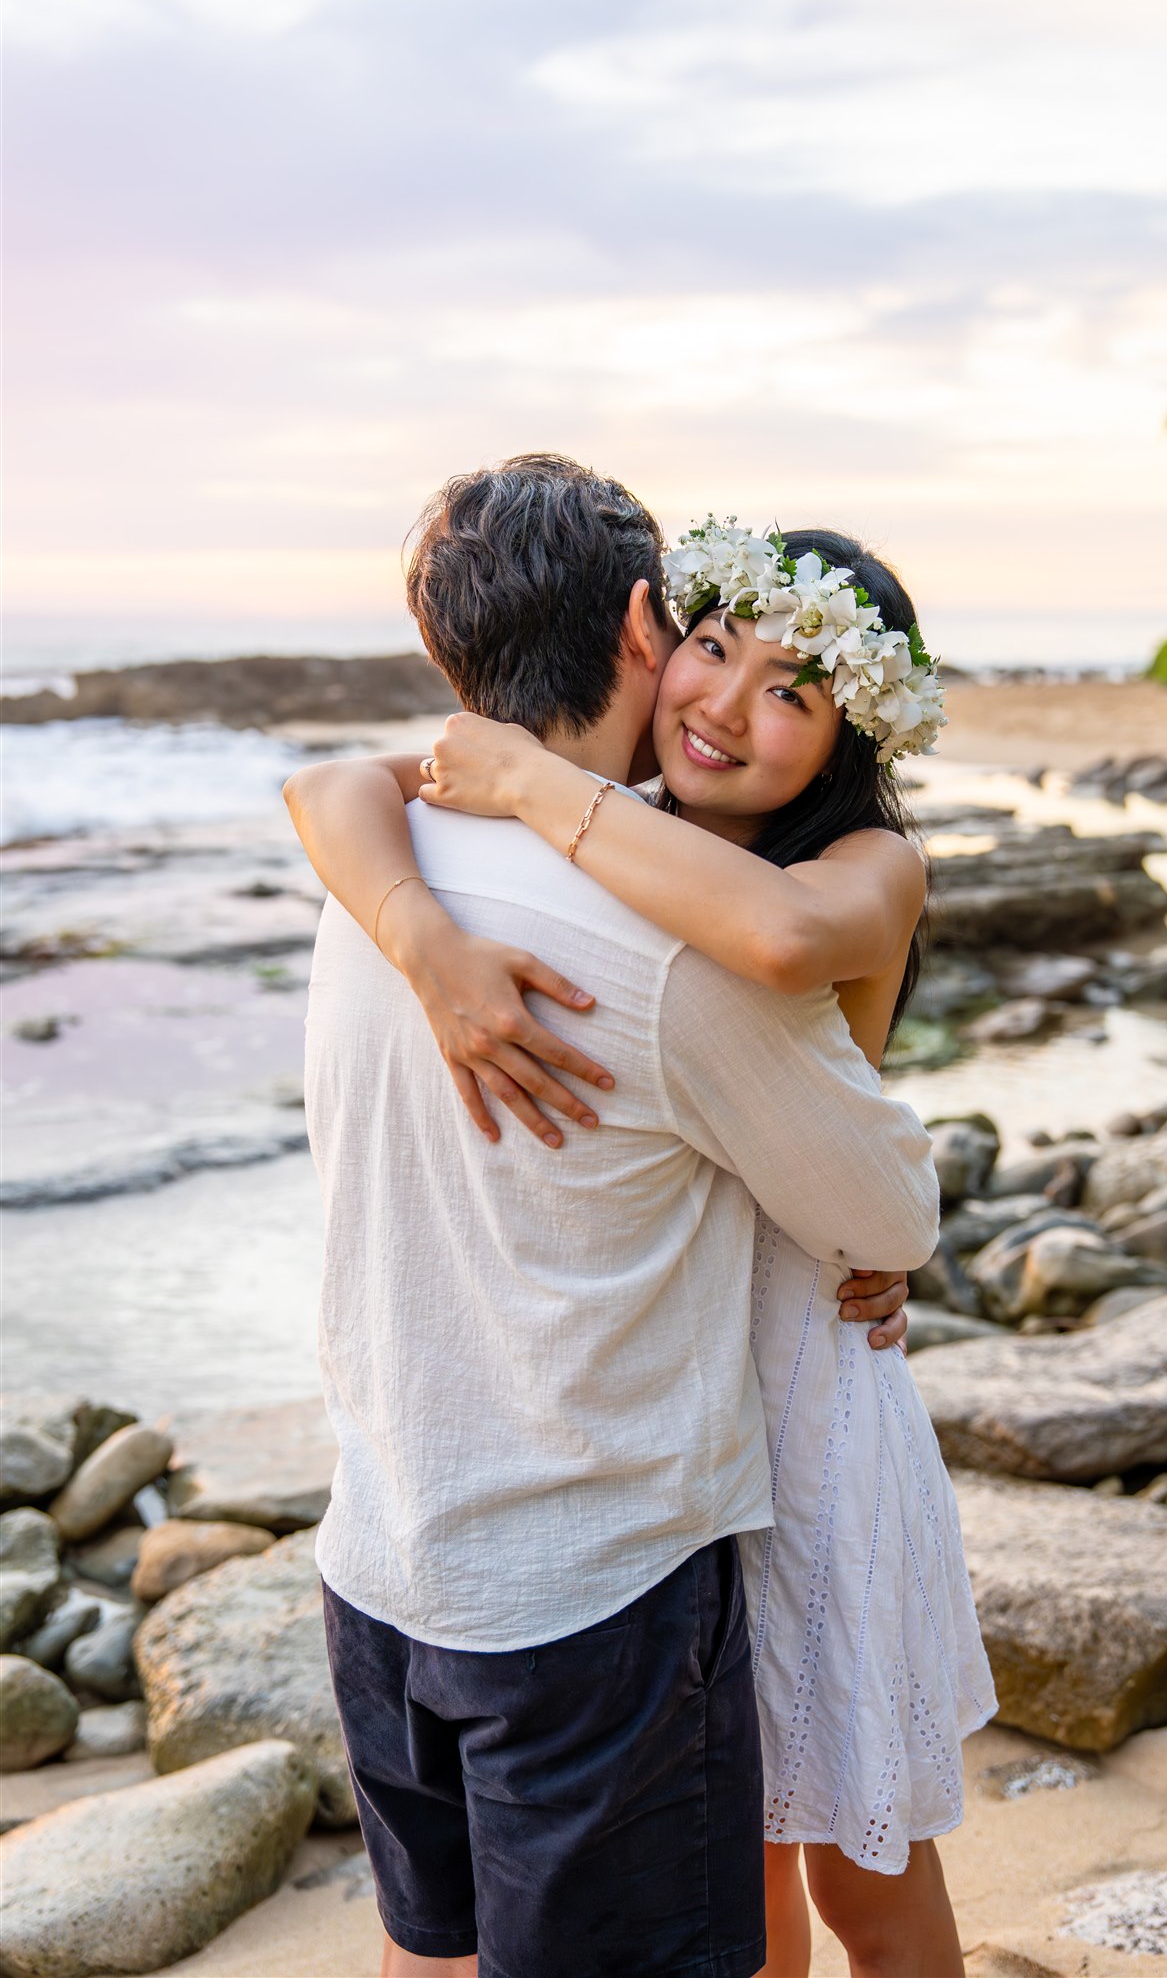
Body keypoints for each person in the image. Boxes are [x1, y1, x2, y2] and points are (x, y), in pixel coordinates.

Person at [289, 492, 995, 1978]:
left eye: (794, 691)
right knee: (728, 1863)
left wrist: (541, 794)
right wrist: (423, 934)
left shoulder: (851, 865)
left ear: (853, 730)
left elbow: (783, 951)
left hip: (788, 1376)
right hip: (658, 1391)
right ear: (651, 634)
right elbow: (328, 783)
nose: (728, 706)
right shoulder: (630, 853)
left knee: (855, 1844)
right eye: (715, 647)